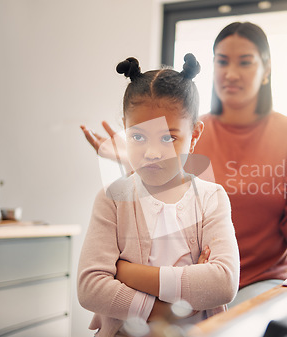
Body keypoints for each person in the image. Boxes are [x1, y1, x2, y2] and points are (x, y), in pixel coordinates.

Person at [81, 22, 287, 307]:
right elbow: (150, 217)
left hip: (257, 284)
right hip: (183, 281)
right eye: (222, 62)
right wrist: (131, 158)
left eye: (245, 62)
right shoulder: (183, 133)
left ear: (266, 70)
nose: (231, 73)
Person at [77, 54, 240, 337]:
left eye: (168, 137)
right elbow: (90, 287)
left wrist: (127, 274)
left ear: (195, 133)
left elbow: (223, 283)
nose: (152, 152)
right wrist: (166, 310)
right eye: (138, 137)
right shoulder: (112, 199)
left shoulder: (212, 198)